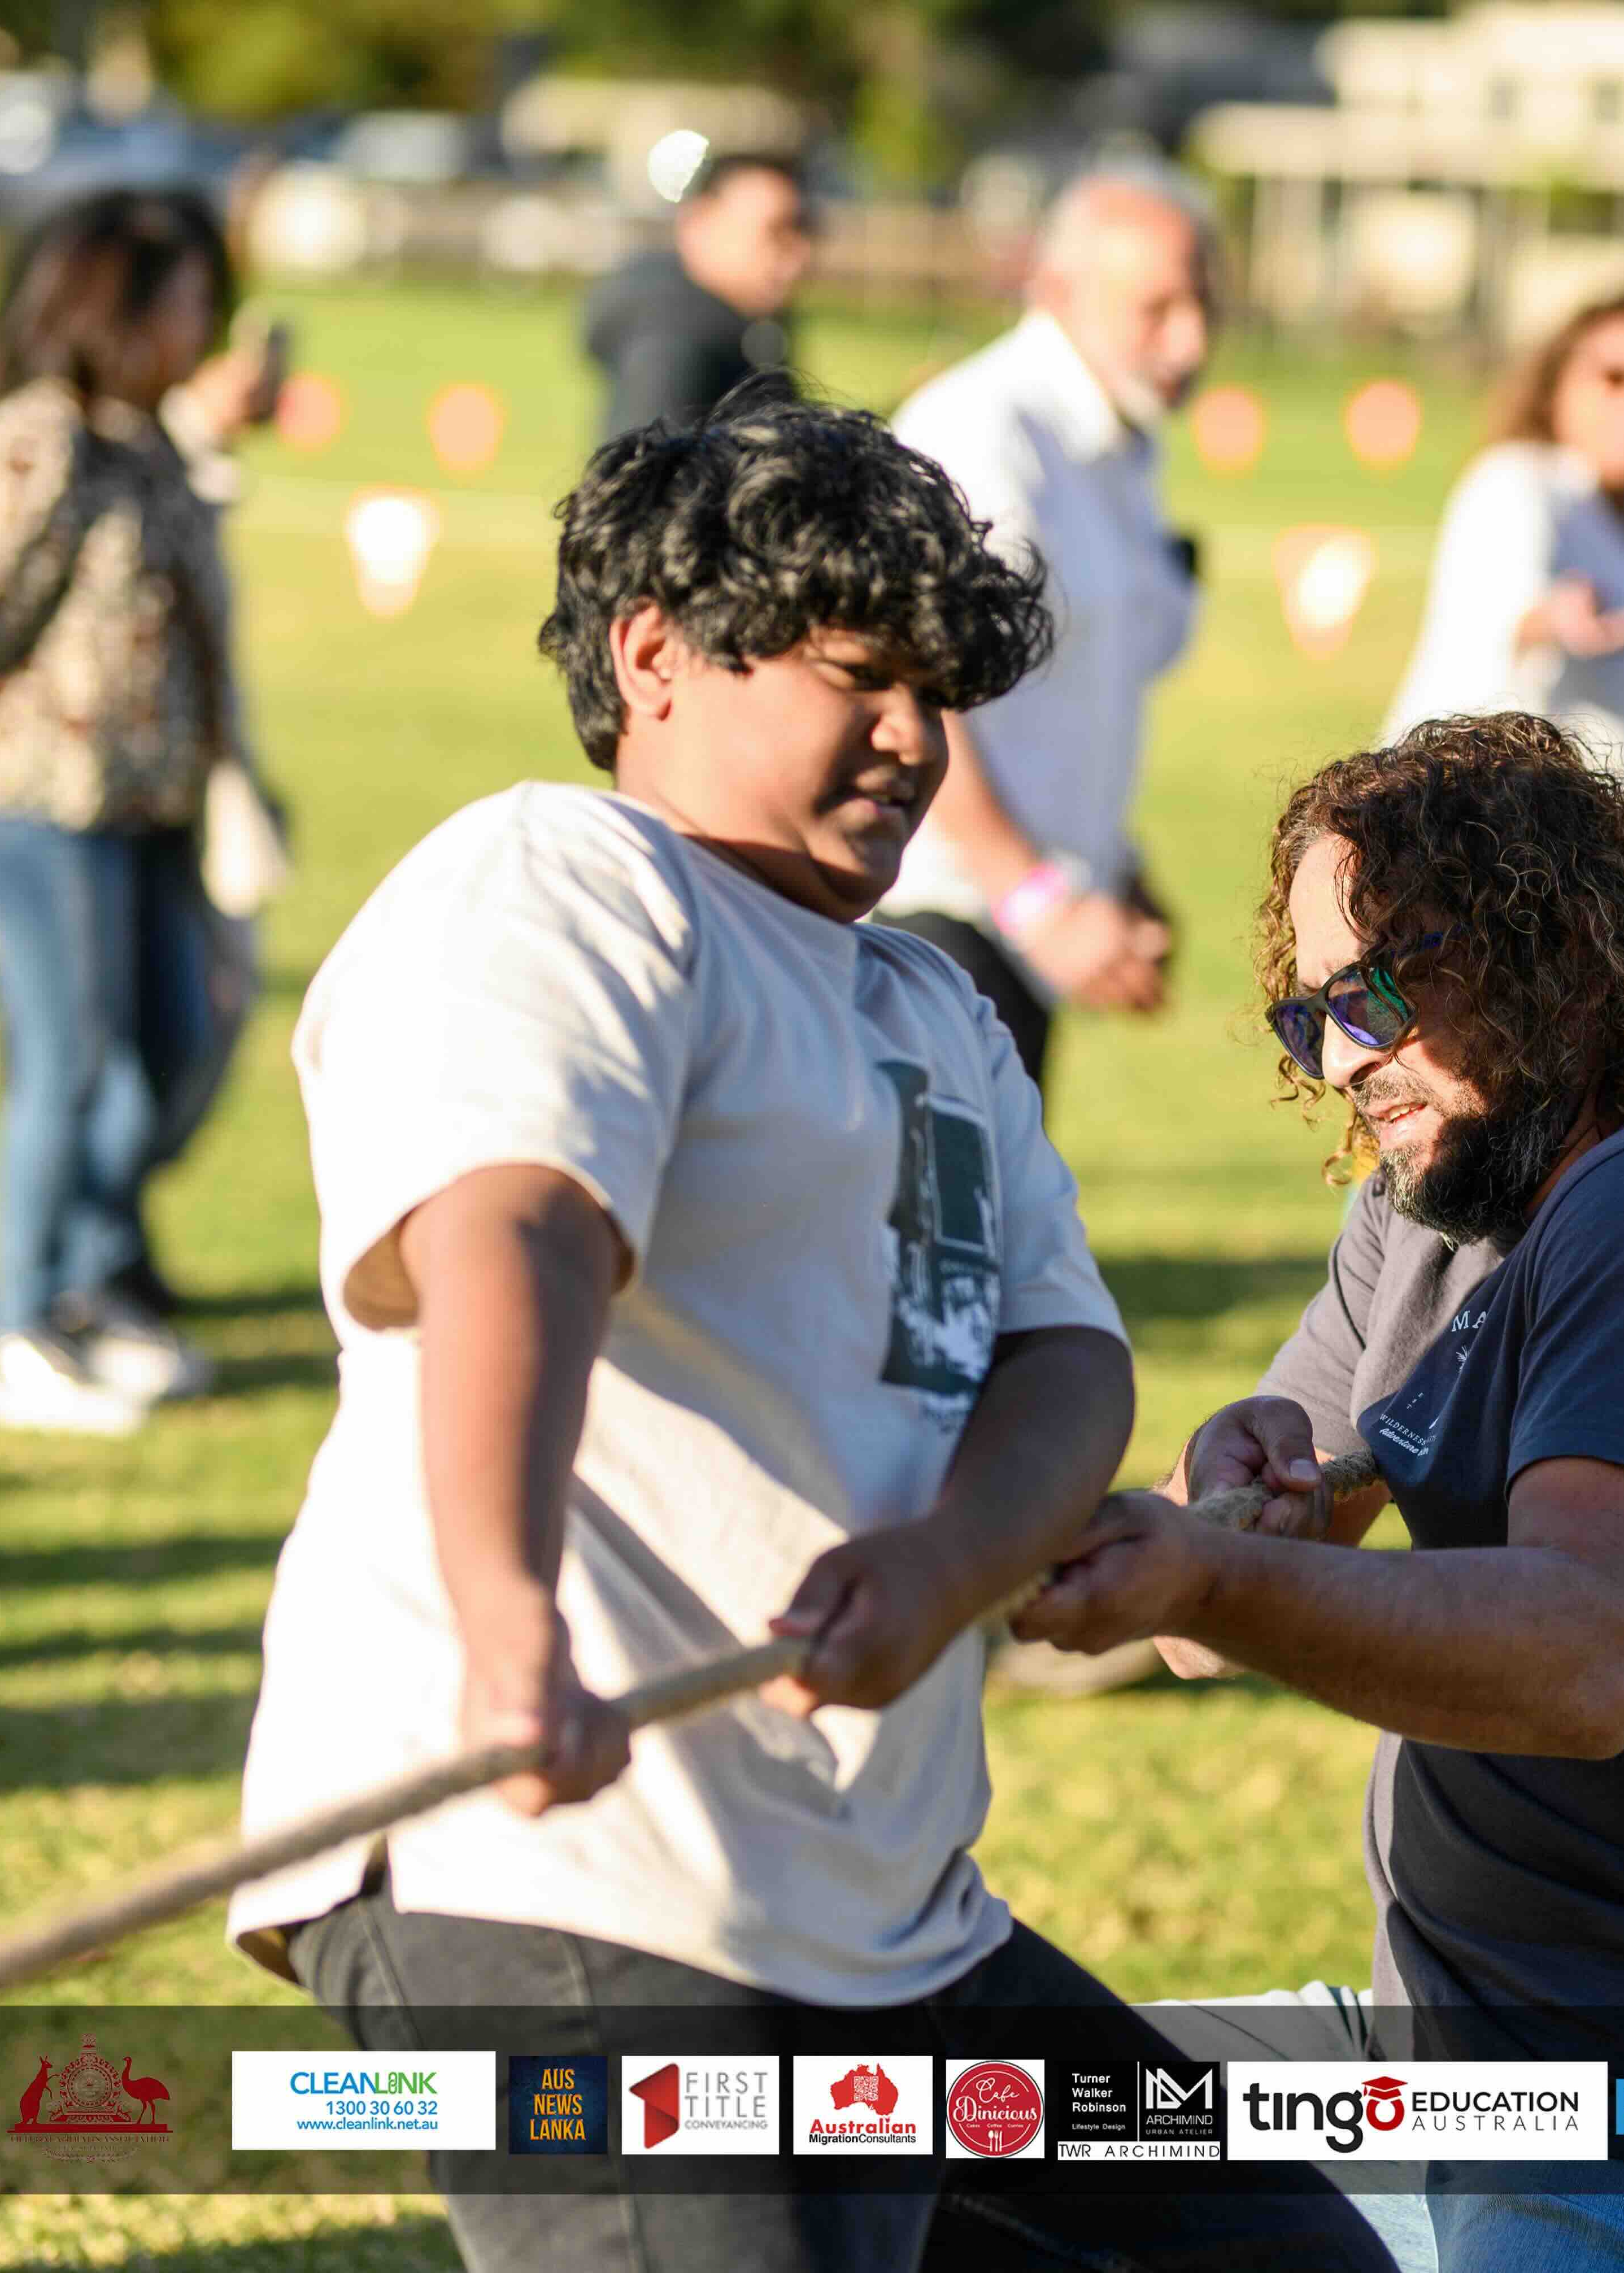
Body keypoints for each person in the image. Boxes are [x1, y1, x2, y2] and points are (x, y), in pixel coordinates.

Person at [223, 391, 1390, 2273]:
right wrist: (510, 1618)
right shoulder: (569, 883)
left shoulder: (934, 1008)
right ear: (654, 653)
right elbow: (513, 1228)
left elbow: (1059, 1355)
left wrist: (950, 1559)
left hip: (884, 1926)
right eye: (860, 676)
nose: (916, 741)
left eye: (939, 692)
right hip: (567, 1876)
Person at [1015, 715, 1624, 2273]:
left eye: (1379, 992)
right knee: (925, 2126)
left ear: (1563, 957)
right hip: (1458, 2074)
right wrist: (1229, 1496)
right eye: (1310, 1015)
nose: (1343, 1058)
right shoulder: (1430, 1207)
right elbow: (1225, 1608)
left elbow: (1584, 1656)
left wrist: (1204, 1577)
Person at [0, 185, 279, 1434]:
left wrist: (236, 778)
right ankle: (14, 1329)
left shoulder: (150, 444)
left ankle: (92, 1286)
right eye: (185, 306)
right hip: (27, 806)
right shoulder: (43, 439)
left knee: (169, 1048)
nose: (202, 331)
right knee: (68, 1060)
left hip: (144, 809)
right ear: (115, 309)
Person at [883, 165, 1212, 1088]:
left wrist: (1115, 864)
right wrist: (1037, 897)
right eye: (1157, 308)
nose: (1190, 341)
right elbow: (911, 682)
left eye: (1204, 307)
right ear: (1057, 288)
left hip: (1017, 922)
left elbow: (1074, 681)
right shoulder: (983, 432)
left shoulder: (1116, 442)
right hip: (945, 921)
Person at [1383, 287, 1624, 811]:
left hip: (1619, 836)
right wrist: (1554, 619)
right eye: (1616, 378)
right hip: (1485, 827)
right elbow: (1502, 609)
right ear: (1555, 387)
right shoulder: (1516, 482)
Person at [582, 150, 813, 442]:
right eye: (775, 231)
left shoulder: (750, 325)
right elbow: (649, 472)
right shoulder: (671, 338)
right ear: (699, 223)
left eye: (803, 230)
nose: (799, 253)